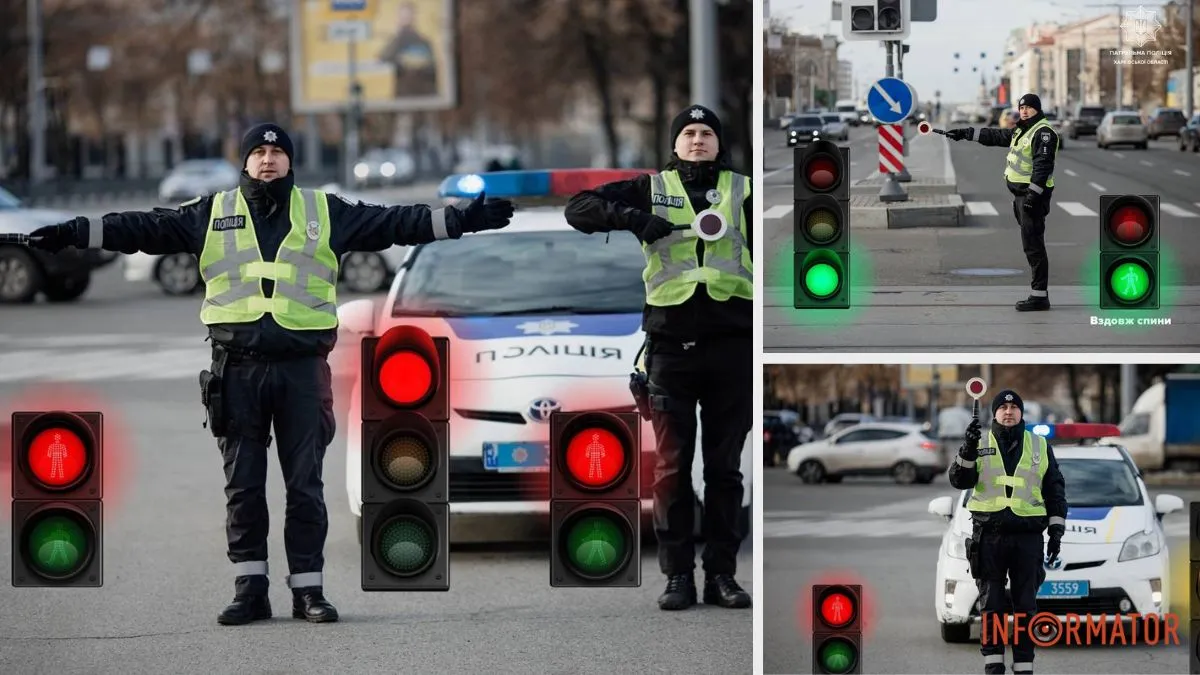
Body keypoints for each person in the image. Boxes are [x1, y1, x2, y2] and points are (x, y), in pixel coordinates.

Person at [26, 123, 514, 626]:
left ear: (290, 161)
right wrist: (73, 232)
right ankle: (250, 590)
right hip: (236, 371)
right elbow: (142, 229)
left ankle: (309, 591)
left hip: (303, 372)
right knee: (244, 487)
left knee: (305, 486)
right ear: (244, 161)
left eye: (276, 151)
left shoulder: (325, 211)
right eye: (258, 151)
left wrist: (461, 221)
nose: (267, 159)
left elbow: (394, 222)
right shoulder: (210, 213)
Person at [564, 104, 753, 611]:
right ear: (674, 144)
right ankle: (677, 577)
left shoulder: (744, 190)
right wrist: (634, 220)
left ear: (719, 143)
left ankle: (722, 576)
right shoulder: (651, 187)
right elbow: (578, 208)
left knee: (725, 471)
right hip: (670, 348)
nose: (697, 141)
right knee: (671, 469)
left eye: (706, 133)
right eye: (688, 133)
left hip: (732, 346)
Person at [948, 389, 1067, 675]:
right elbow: (958, 480)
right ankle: (994, 665)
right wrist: (966, 448)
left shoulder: (1039, 445)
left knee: (1026, 606)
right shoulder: (979, 443)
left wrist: (1056, 531)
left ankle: (1024, 666)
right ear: (995, 413)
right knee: (993, 606)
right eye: (1003, 408)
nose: (1009, 412)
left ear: (1022, 413)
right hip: (990, 536)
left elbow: (1055, 489)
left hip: (1027, 538)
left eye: (1014, 408)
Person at [943, 94, 1059, 312]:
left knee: (1033, 246)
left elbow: (1043, 166)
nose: (1024, 111)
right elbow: (995, 136)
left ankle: (1039, 297)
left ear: (1037, 109)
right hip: (1022, 196)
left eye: (1029, 107)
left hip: (1032, 196)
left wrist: (1033, 196)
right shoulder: (1023, 129)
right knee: (1030, 244)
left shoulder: (1043, 133)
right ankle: (1038, 294)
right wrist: (965, 133)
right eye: (1021, 107)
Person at [378, 1, 438, 97]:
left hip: (424, 94)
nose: (406, 20)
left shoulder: (424, 42)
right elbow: (383, 58)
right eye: (403, 17)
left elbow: (432, 70)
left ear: (414, 18)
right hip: (404, 94)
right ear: (398, 18)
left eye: (408, 16)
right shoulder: (397, 41)